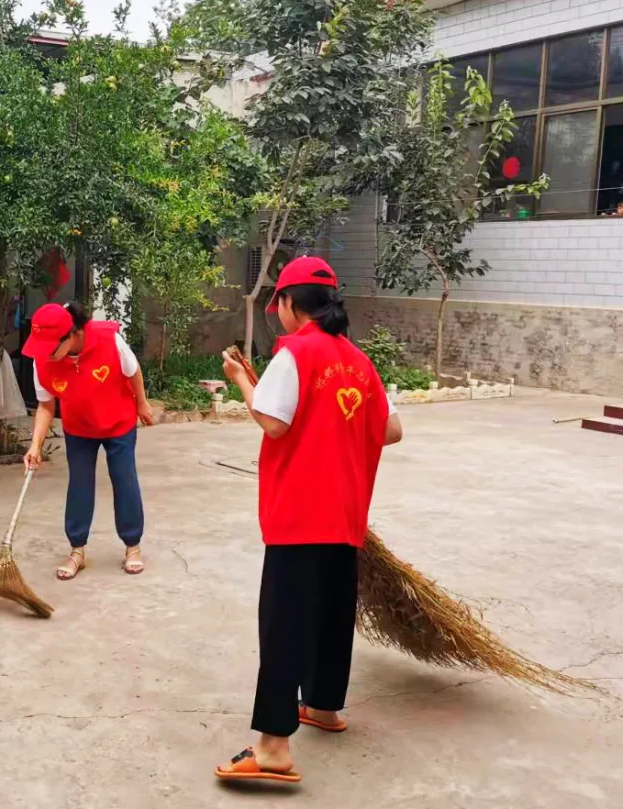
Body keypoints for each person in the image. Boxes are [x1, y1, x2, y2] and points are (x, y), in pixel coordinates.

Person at [215, 256, 404, 783]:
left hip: (300, 512)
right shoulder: (358, 360)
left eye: (277, 302)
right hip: (345, 512)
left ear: (290, 304)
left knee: (284, 626)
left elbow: (273, 423)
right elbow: (390, 431)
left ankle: (273, 747)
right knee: (329, 613)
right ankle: (323, 706)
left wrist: (241, 382)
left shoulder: (296, 352)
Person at [21, 301, 154, 580]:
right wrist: (35, 445)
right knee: (79, 485)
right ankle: (77, 551)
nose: (45, 354)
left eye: (50, 347)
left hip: (118, 423)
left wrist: (141, 404)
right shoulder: (42, 359)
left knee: (124, 479)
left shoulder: (109, 339)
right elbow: (46, 406)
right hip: (79, 428)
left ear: (73, 334)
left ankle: (133, 546)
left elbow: (133, 371)